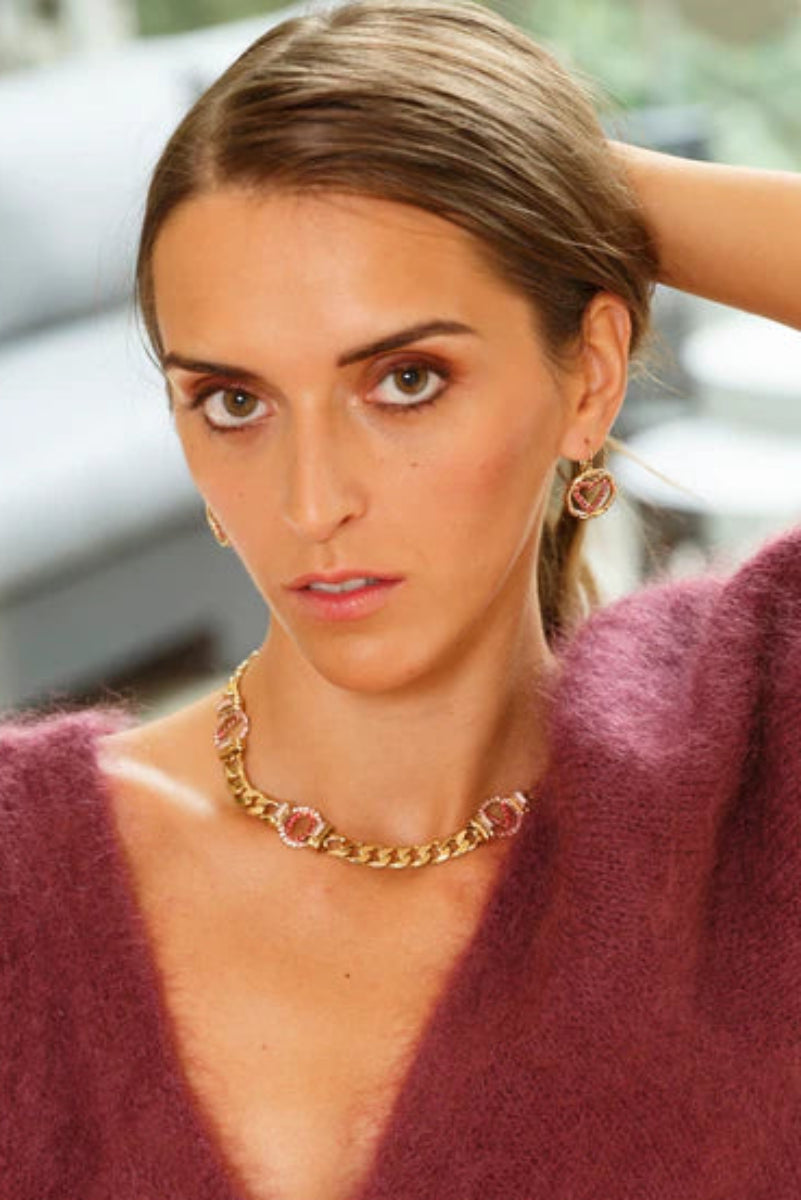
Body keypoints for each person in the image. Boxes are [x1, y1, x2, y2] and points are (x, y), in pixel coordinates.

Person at [1, 1, 800, 1197]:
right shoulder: (24, 870)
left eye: (407, 378)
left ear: (588, 380)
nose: (312, 499)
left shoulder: (750, 757)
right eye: (233, 401)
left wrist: (547, 168)